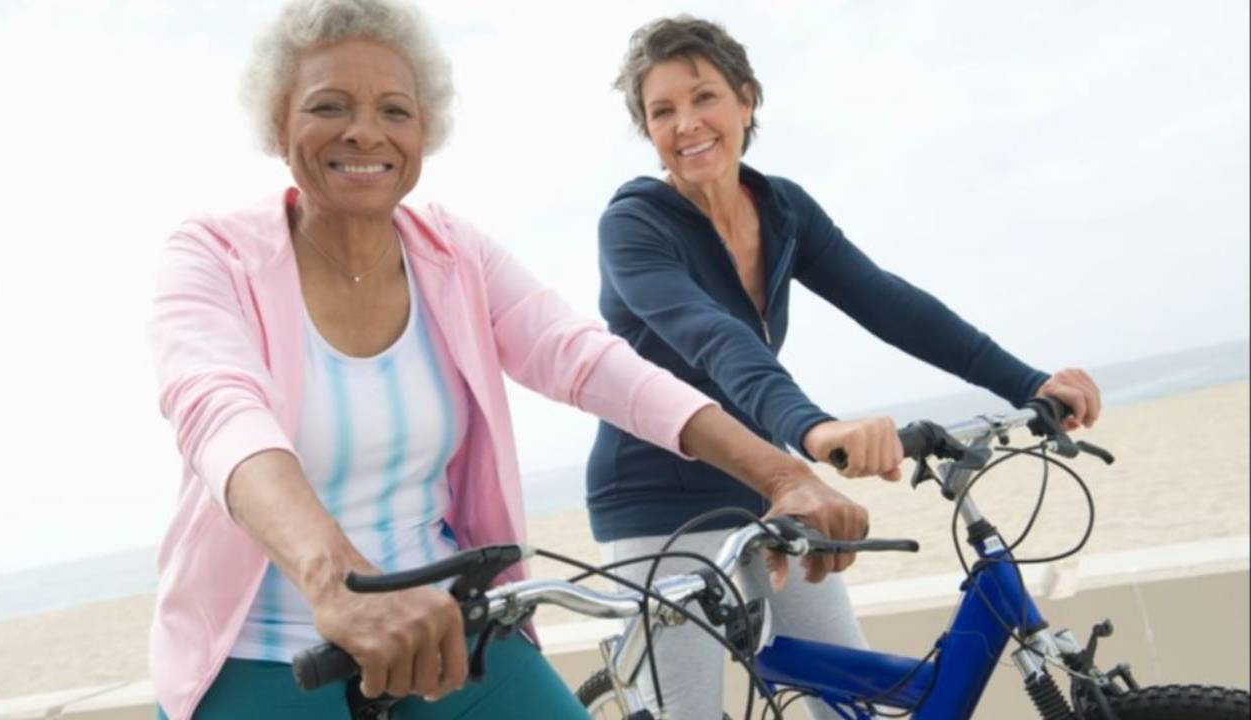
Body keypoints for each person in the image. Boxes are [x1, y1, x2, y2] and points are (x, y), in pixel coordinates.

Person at [147, 2, 874, 718]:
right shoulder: (215, 255)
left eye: (395, 111)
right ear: (280, 123)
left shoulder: (453, 254)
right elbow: (221, 414)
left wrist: (783, 475)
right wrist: (336, 582)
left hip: (447, 630)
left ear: (423, 132)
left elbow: (589, 361)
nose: (365, 131)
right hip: (263, 651)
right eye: (329, 106)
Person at [589, 15, 1104, 720]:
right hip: (659, 501)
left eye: (704, 97)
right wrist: (813, 428)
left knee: (851, 703)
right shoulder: (634, 226)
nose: (686, 124)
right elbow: (714, 338)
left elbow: (887, 302)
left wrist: (1028, 383)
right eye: (662, 111)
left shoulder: (781, 209)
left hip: (770, 486)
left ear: (746, 99)